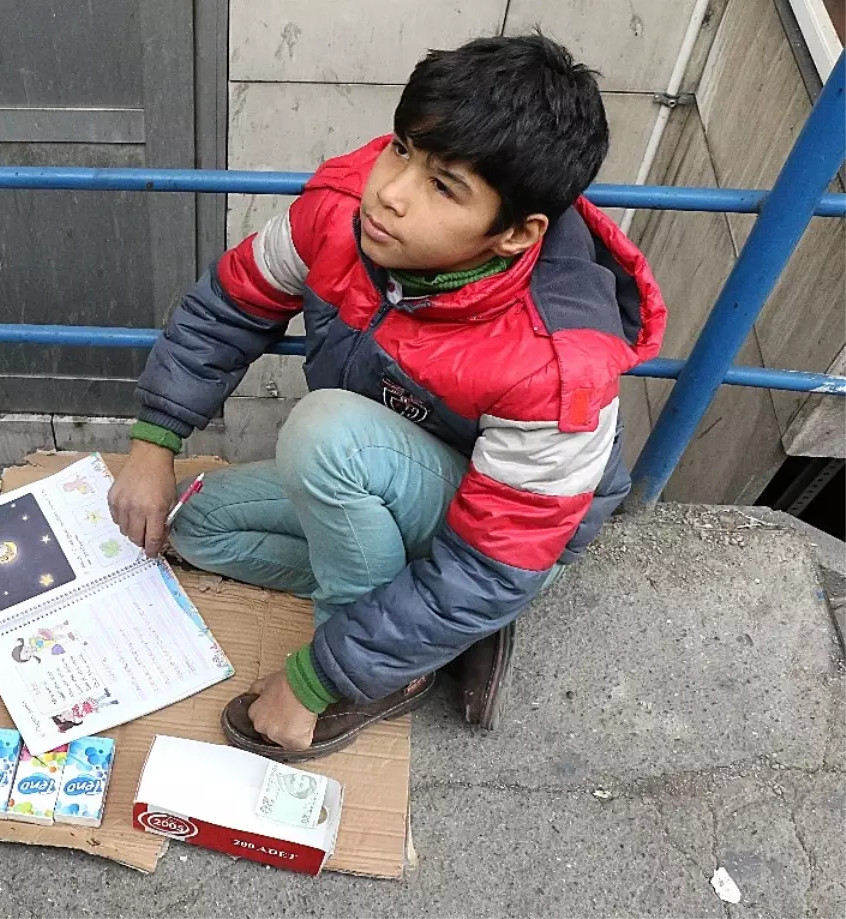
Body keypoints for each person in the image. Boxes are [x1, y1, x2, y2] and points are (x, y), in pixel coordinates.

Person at [108, 33, 666, 761]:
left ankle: (375, 678)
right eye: (402, 148)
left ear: (515, 234)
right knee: (192, 526)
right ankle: (439, 627)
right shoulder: (343, 210)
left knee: (324, 434)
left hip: (504, 536)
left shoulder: (559, 361)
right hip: (383, 474)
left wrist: (314, 678)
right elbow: (231, 304)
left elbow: (495, 561)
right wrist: (153, 444)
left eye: (444, 186)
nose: (390, 192)